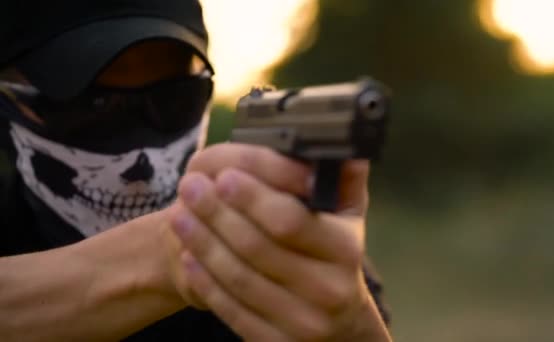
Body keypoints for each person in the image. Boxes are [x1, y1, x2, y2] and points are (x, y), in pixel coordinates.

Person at [0, 0, 392, 341]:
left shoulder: (274, 253)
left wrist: (352, 328)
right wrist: (186, 247)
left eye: (174, 99)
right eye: (90, 107)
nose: (142, 160)